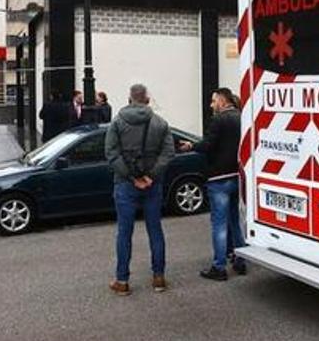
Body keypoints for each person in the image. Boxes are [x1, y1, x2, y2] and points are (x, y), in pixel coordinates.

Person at [105, 83, 174, 295]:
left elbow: (111, 153)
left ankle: (122, 281)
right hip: (152, 185)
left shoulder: (117, 122)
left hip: (126, 184)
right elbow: (168, 152)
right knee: (155, 230)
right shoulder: (160, 123)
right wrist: (151, 175)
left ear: (129, 98)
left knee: (124, 233)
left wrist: (131, 176)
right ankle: (159, 278)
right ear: (146, 99)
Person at [179, 88, 247, 280]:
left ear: (223, 101)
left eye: (213, 101)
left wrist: (192, 146)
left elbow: (209, 145)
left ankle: (219, 267)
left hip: (219, 178)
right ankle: (240, 260)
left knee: (219, 224)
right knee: (234, 220)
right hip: (236, 175)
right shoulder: (242, 117)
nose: (211, 105)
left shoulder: (219, 120)